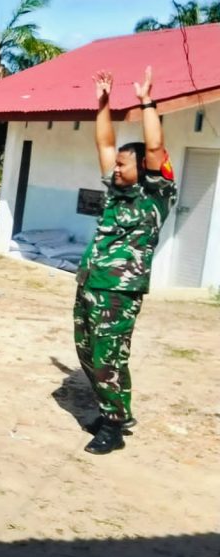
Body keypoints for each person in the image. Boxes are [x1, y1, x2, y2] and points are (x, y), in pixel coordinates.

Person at [74, 67, 177, 455]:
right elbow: (104, 143)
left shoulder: (156, 194)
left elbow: (155, 147)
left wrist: (146, 101)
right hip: (91, 280)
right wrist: (103, 103)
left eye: (122, 165)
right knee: (87, 351)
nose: (115, 168)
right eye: (115, 165)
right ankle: (113, 410)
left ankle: (114, 425)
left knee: (108, 356)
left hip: (120, 290)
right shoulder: (115, 191)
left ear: (142, 167)